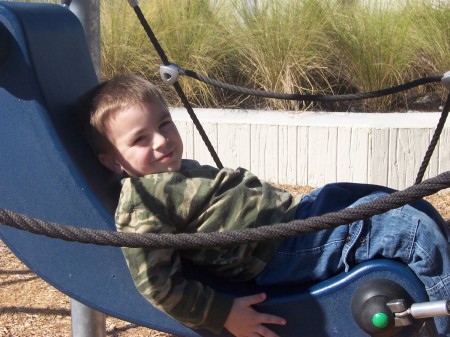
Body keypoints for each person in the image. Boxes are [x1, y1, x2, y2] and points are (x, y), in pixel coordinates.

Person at [82, 74, 450, 337]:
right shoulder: (141, 204)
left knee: (394, 205)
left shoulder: (170, 172)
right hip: (280, 251)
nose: (162, 141)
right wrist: (223, 313)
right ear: (113, 161)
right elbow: (157, 285)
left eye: (164, 124)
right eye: (140, 139)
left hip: (296, 218)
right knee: (412, 234)